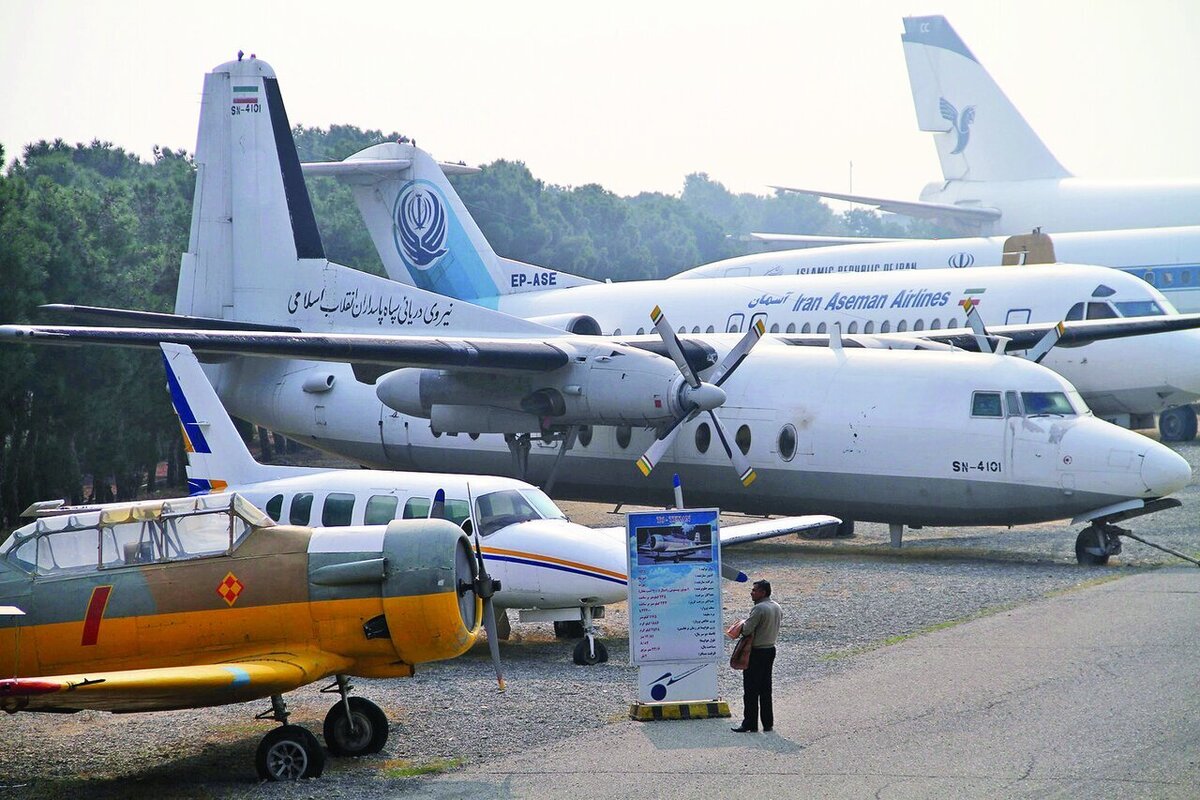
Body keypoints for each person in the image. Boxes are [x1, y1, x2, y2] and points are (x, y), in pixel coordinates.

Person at [732, 579, 781, 733]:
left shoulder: (759, 609)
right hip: (770, 649)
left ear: (763, 592)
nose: (751, 593)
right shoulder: (776, 607)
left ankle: (750, 723)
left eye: (754, 590)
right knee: (766, 689)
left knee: (751, 689)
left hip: (757, 652)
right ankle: (768, 723)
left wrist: (741, 624)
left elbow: (746, 630)